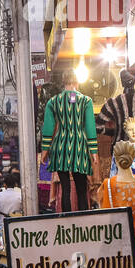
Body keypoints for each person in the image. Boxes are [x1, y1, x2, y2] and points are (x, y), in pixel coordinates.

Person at [40, 72, 98, 212]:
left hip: (60, 147)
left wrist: (45, 151)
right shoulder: (86, 101)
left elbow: (48, 128)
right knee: (81, 189)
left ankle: (66, 221)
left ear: (63, 83)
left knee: (65, 188)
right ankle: (83, 221)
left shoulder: (53, 102)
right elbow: (90, 128)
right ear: (77, 83)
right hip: (79, 147)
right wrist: (94, 151)